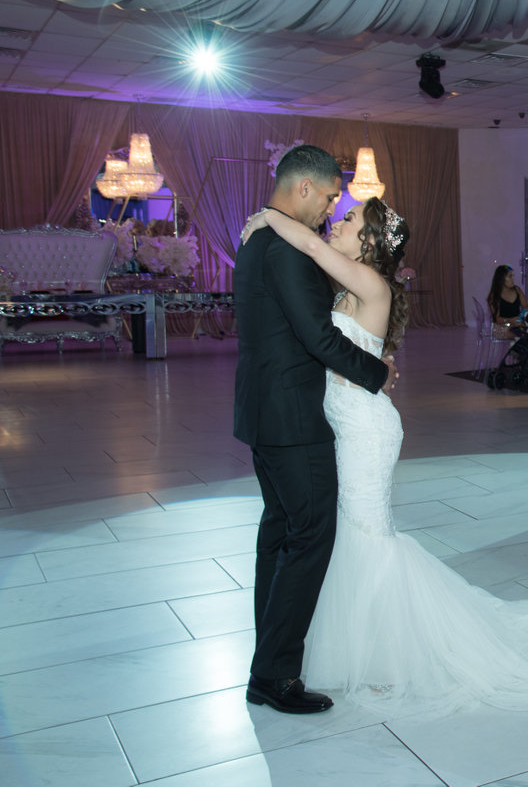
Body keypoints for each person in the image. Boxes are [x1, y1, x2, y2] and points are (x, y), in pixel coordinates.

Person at [242, 198, 528, 717]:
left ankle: (384, 660)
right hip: (342, 423)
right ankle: (341, 649)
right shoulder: (349, 283)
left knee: (365, 535)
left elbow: (310, 244)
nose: (337, 223)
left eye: (350, 220)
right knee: (345, 535)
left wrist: (270, 216)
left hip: (364, 431)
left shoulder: (369, 283)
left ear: (372, 243)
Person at [233, 145, 394, 715]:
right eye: (330, 197)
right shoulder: (288, 250)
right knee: (307, 538)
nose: (330, 211)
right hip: (295, 419)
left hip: (263, 411)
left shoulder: (255, 240)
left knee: (279, 533)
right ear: (304, 188)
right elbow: (319, 341)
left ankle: (268, 654)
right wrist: (379, 371)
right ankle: (275, 674)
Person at [487, 264, 527, 337]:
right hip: (502, 327)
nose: (513, 279)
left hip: (517, 324)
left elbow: (526, 307)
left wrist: (521, 317)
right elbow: (497, 319)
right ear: (501, 279)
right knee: (519, 336)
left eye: (513, 276)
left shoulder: (517, 290)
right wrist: (510, 320)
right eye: (510, 276)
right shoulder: (494, 296)